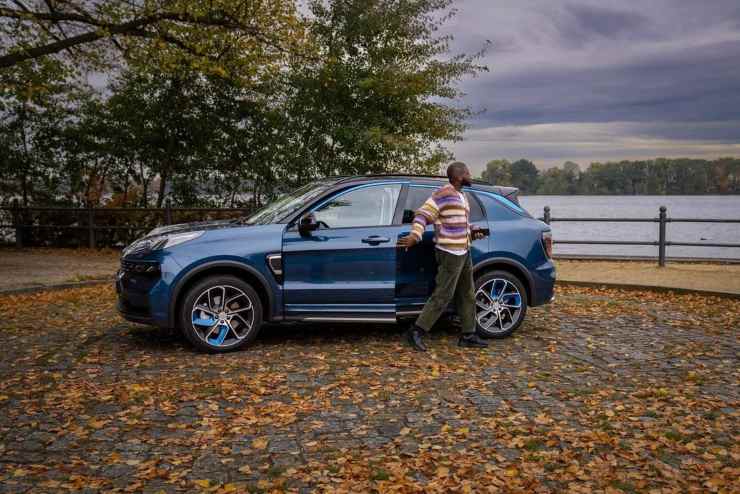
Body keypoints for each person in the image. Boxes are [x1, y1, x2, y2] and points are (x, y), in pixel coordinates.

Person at [397, 162, 489, 351]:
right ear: (458, 176)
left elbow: (458, 224)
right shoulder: (444, 193)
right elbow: (423, 214)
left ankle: (468, 335)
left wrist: (473, 231)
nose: (471, 175)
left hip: (463, 250)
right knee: (443, 295)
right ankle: (415, 331)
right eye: (468, 172)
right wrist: (415, 235)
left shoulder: (462, 195)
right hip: (449, 253)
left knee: (467, 294)